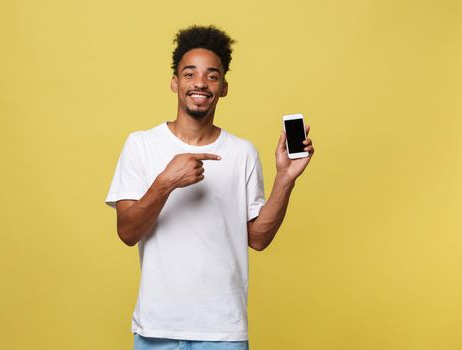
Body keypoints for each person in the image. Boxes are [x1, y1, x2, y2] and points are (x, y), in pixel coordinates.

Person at [105, 25, 314, 350]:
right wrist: (166, 182)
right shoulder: (141, 145)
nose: (200, 83)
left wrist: (285, 180)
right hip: (157, 328)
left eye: (212, 75)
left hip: (223, 331)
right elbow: (127, 232)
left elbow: (257, 239)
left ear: (224, 87)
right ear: (175, 82)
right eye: (190, 74)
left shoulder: (242, 152)